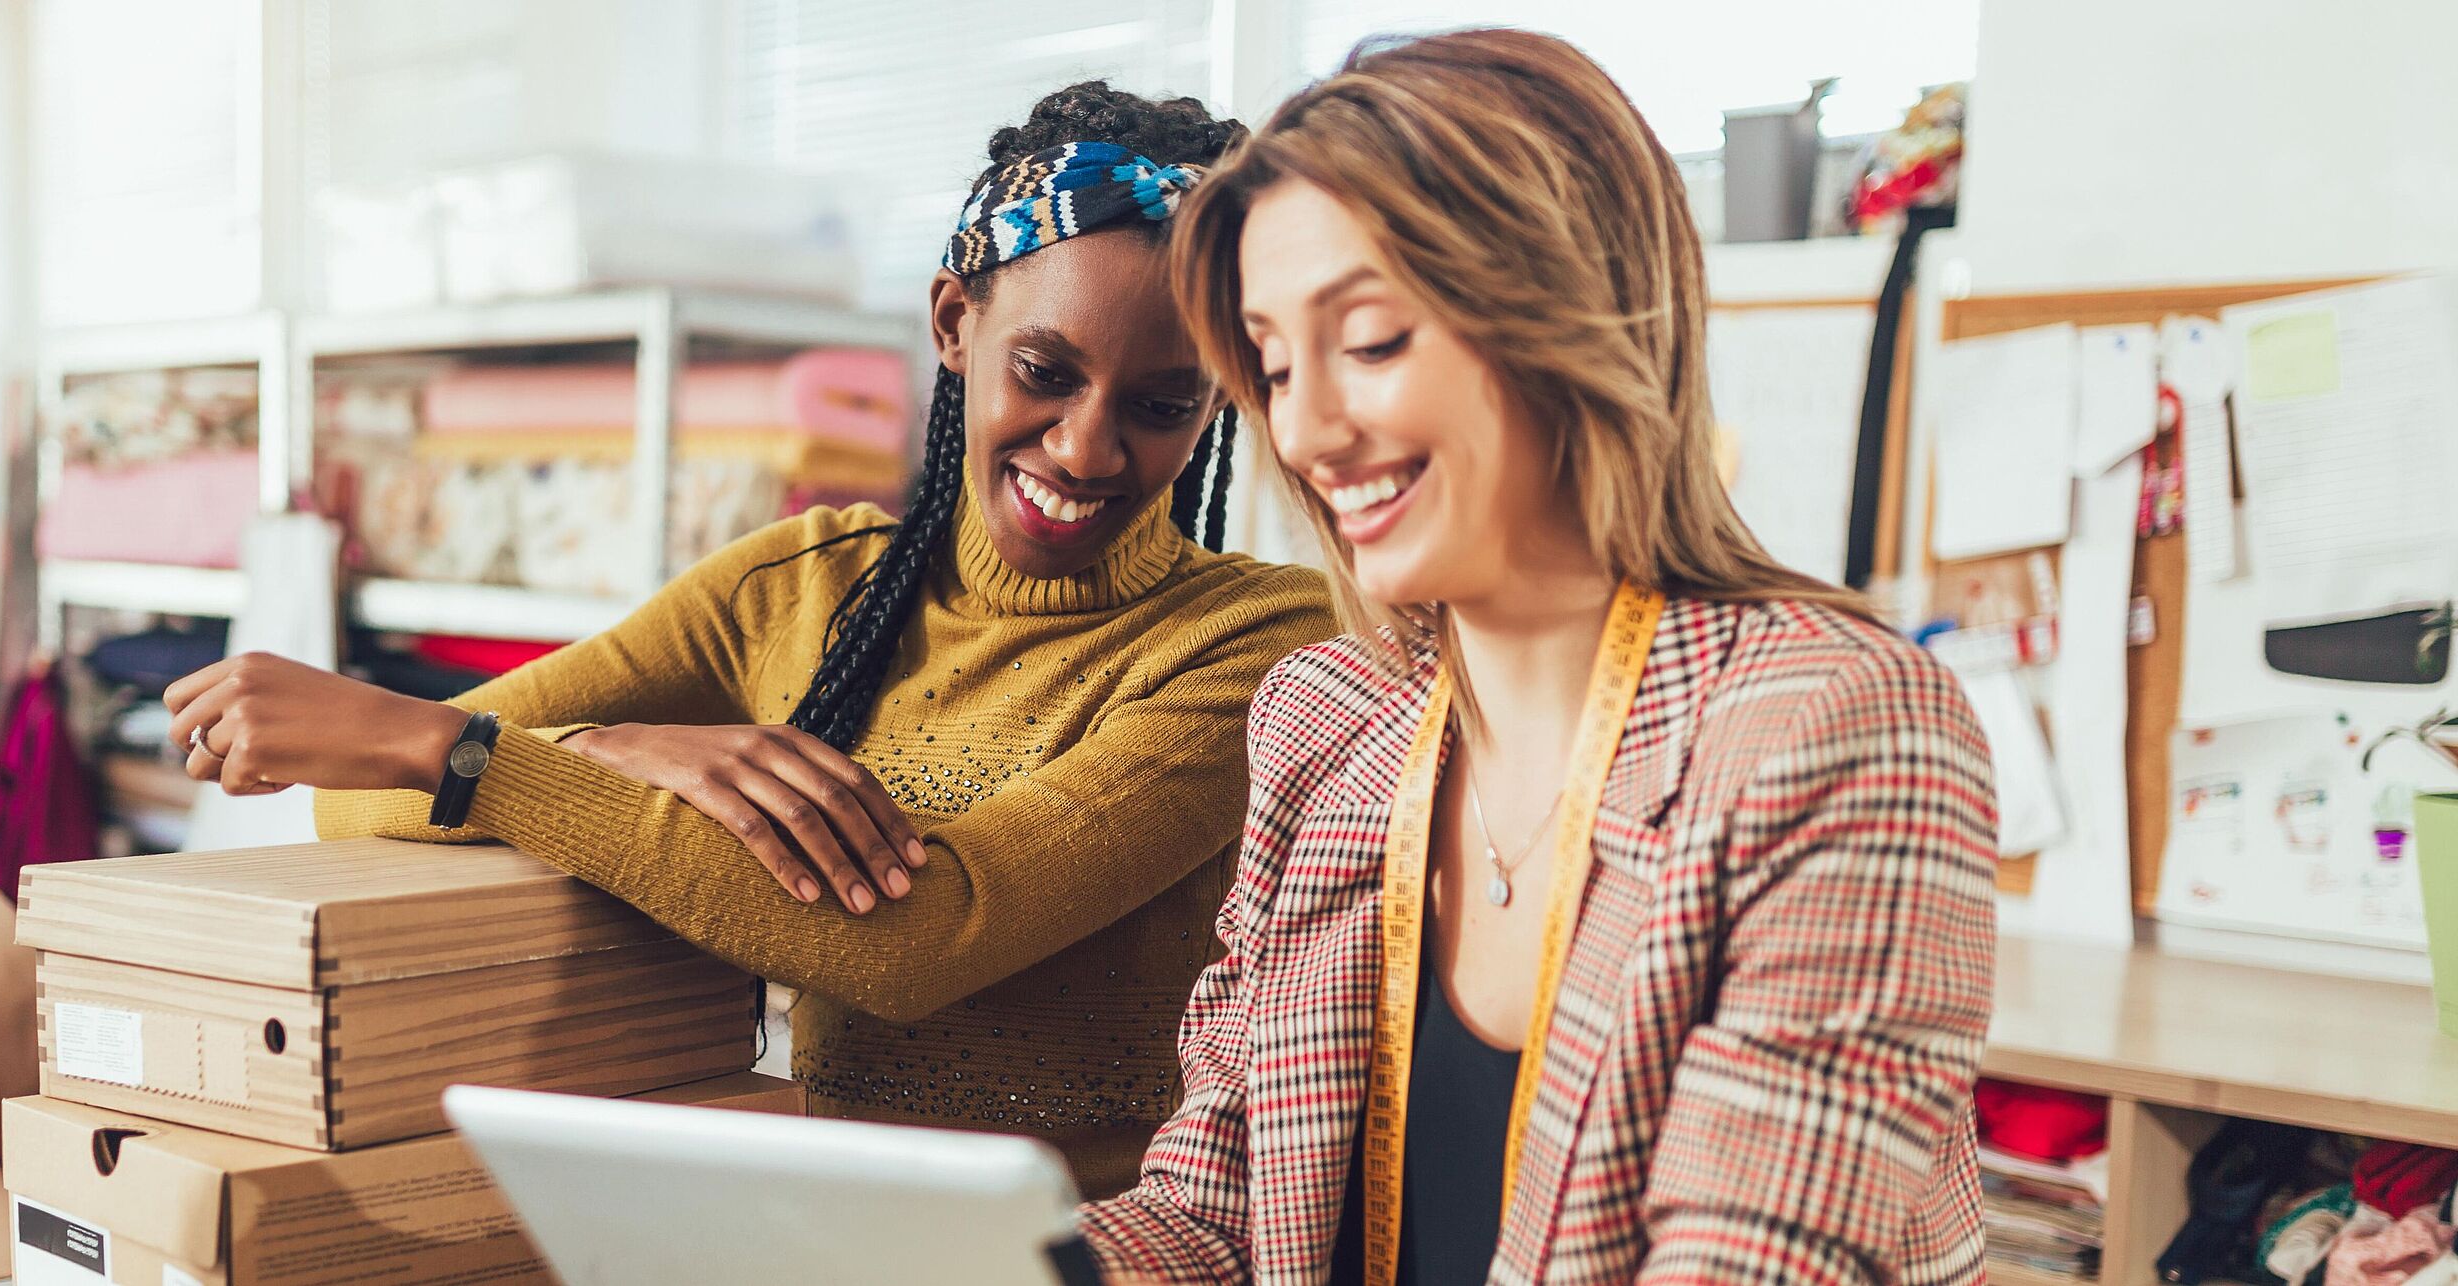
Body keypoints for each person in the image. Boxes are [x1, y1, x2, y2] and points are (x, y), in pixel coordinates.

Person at [161, 83, 1334, 1198]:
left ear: (1219, 399)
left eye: (1162, 404)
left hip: (1093, 1251)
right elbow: (357, 794)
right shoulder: (805, 583)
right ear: (953, 324)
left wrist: (479, 756)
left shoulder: (1256, 644)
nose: (1085, 448)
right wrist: (610, 746)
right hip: (804, 1226)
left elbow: (929, 933)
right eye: (1045, 371)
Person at [1080, 29, 1998, 1283]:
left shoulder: (1835, 728)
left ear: (1566, 311)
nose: (1308, 428)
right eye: (1277, 365)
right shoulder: (1322, 719)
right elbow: (1210, 1209)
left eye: (1373, 341)